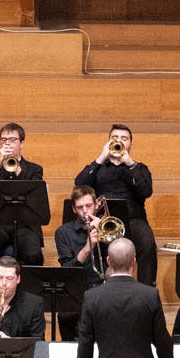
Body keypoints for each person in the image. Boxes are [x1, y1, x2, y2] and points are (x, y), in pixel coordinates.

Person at [53, 186, 107, 358]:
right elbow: (67, 273)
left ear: (97, 204)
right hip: (79, 297)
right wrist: (88, 246)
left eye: (89, 206)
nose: (86, 212)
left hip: (107, 298)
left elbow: (124, 261)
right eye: (81, 207)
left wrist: (105, 238)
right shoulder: (64, 233)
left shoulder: (111, 226)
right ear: (74, 209)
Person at [73, 123, 157, 287]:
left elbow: (146, 191)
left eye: (124, 138)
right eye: (115, 138)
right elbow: (80, 183)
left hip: (134, 220)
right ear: (108, 142)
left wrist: (130, 164)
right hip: (103, 220)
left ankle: (147, 289)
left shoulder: (139, 168)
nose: (119, 141)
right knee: (97, 244)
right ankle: (102, 287)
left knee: (147, 244)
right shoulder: (99, 167)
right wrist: (101, 158)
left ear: (130, 144)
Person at [0, 123, 46, 267]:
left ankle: (24, 282)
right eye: (3, 140)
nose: (7, 143)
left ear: (22, 143)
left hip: (25, 225)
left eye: (12, 140)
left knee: (34, 255)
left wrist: (18, 170)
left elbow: (35, 196)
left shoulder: (35, 169)